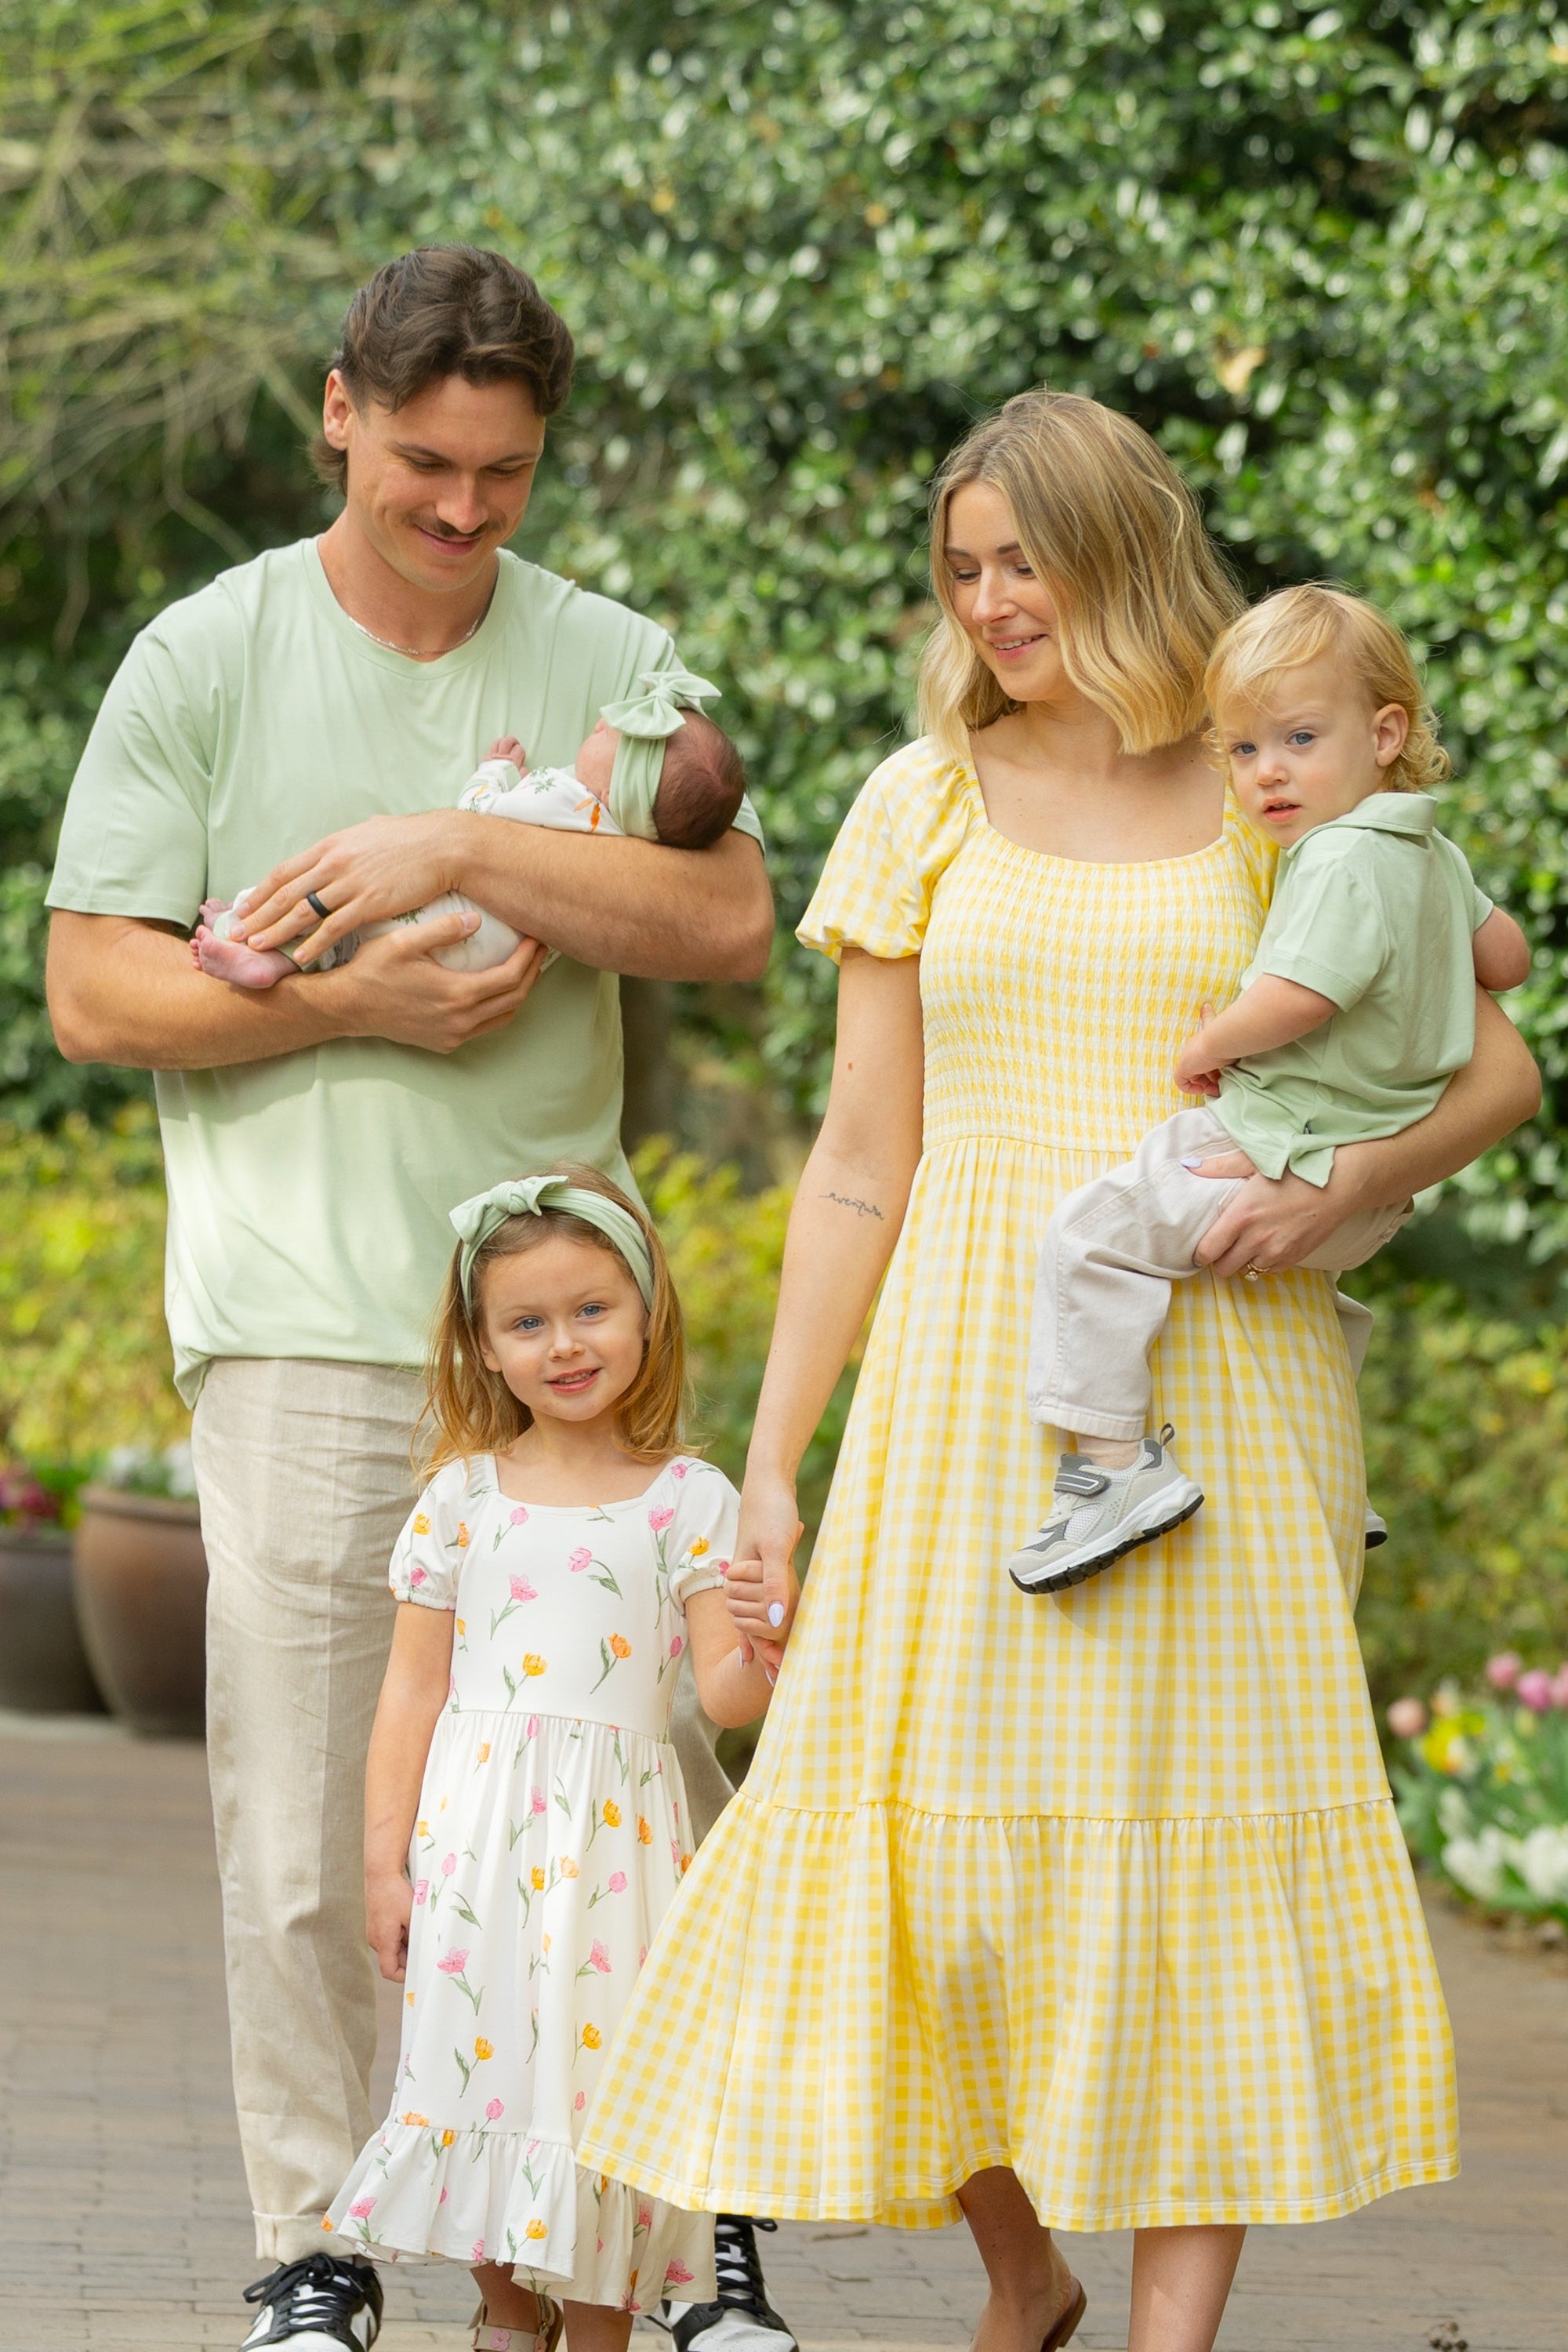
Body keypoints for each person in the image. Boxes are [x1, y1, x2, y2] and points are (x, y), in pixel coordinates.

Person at [578, 390, 1541, 2352]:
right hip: (961, 1385)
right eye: (963, 568)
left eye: (1025, 559)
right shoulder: (922, 797)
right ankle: (1025, 2278)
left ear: (1122, 546)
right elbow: (860, 1157)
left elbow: (1496, 1059)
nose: (991, 601)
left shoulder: (1271, 780)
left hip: (1230, 1376)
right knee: (907, 1859)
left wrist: (1349, 1182)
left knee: (1197, 1850)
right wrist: (775, 1460)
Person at [44, 245, 793, 2352]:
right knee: (306, 1827)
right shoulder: (204, 657)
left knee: (652, 1790)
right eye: (426, 467)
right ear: (339, 413)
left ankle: (673, 2224)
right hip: (302, 1323)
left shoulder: (609, 656)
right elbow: (91, 987)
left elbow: (728, 917)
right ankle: (316, 2237)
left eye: (505, 474)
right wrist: (341, 999)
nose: (465, 511)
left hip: (569, 1349)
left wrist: (447, 844)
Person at [325, 1166, 777, 2352]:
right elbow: (410, 1692)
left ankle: (595, 2331)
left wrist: (776, 1643)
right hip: (476, 1844)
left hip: (616, 1858)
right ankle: (504, 2311)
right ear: (483, 1348)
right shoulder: (461, 1500)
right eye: (526, 1322)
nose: (564, 1344)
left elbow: (723, 1693)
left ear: (646, 1315)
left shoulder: (689, 1499)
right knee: (469, 2076)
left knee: (597, 2097)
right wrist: (384, 1867)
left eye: (591, 1310)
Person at [1007, 583, 1531, 1592]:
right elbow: (1504, 960)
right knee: (1322, 1306)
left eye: (1297, 738)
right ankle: (1343, 1470)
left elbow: (1299, 996)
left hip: (1273, 1145)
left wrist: (1210, 1040)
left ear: (1385, 733)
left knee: (1090, 1235)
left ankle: (1111, 1467)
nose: (1267, 773)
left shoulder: (1334, 857)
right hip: (1372, 1197)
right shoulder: (1431, 852)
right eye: (1243, 750)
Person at [193, 673, 743, 989]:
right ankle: (269, 957)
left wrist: (495, 772)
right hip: (490, 951)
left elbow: (473, 818)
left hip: (458, 919)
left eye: (609, 735)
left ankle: (245, 931)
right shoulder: (623, 844)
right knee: (357, 941)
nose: (599, 723)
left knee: (346, 899)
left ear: (620, 784)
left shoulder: (565, 796)